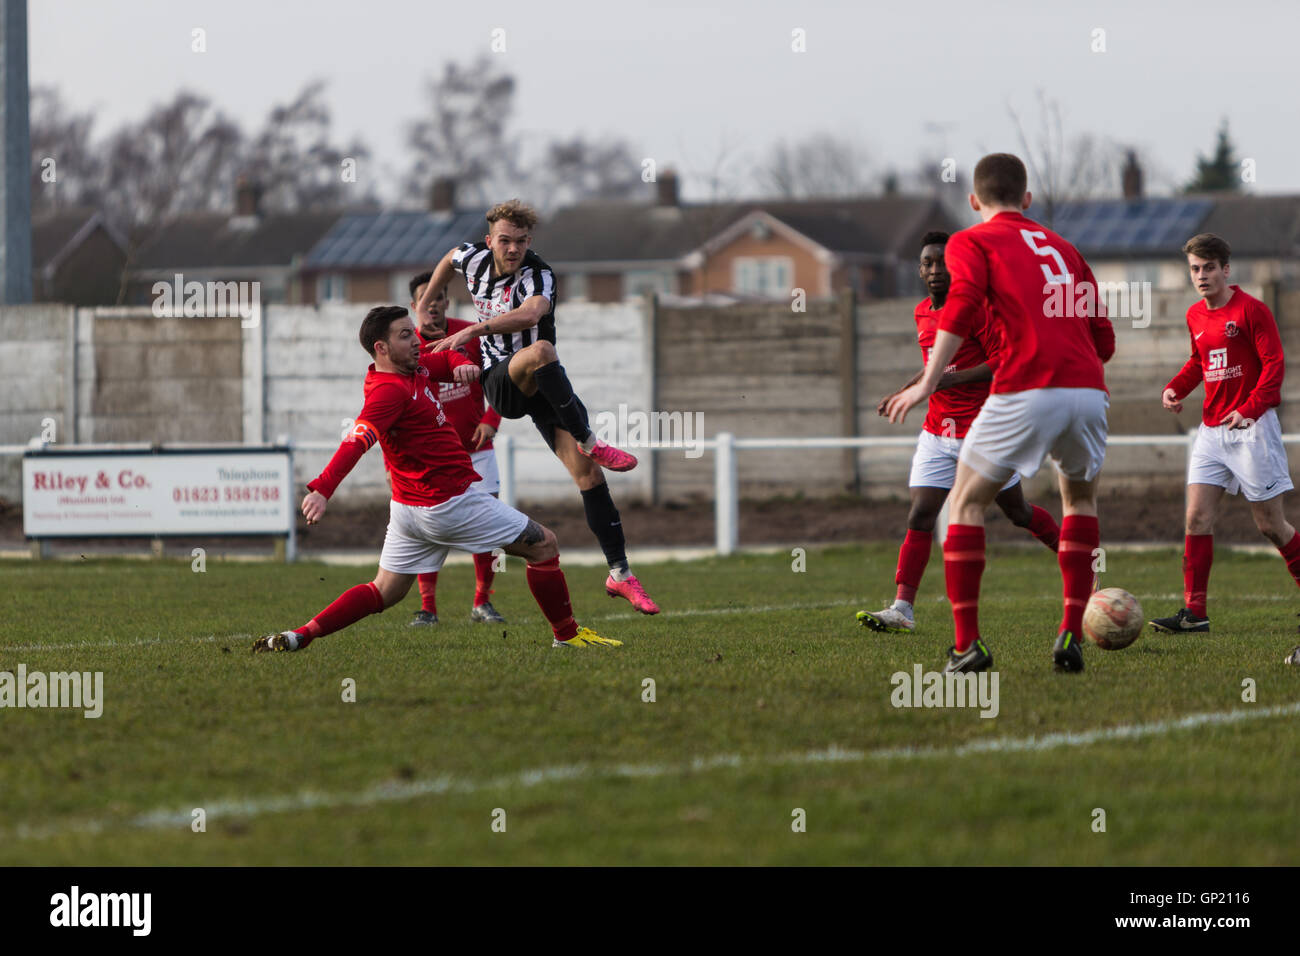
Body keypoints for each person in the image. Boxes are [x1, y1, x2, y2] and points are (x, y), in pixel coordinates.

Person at [252, 306, 621, 652]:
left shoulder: (413, 370)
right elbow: (356, 440)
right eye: (404, 336)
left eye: (412, 333)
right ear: (381, 348)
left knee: (385, 591)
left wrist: (460, 363)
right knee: (544, 546)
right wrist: (322, 489)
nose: (415, 341)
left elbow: (443, 357)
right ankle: (568, 636)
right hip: (449, 504)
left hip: (408, 512)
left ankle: (300, 635)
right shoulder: (387, 392)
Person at [885, 153, 1114, 674]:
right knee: (1080, 502)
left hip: (1025, 387)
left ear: (973, 201)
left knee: (963, 505)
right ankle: (1070, 635)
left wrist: (927, 381)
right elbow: (1104, 340)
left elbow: (963, 306)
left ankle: (968, 646)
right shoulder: (1067, 249)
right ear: (1027, 199)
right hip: (1088, 389)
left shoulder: (972, 241)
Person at [415, 199, 659, 614]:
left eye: (522, 241)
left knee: (590, 479)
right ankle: (590, 439)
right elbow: (448, 258)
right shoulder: (471, 258)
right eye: (505, 241)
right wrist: (427, 301)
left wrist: (473, 327)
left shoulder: (538, 274)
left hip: (541, 382)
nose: (514, 249)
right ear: (489, 240)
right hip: (502, 381)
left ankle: (620, 575)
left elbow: (532, 314)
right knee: (543, 350)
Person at [860, 231, 1061, 633]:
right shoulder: (921, 312)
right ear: (919, 270)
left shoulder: (979, 309)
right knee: (920, 514)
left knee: (1017, 512)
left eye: (943, 262)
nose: (936, 270)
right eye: (928, 263)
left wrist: (951, 381)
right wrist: (906, 391)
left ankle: (1079, 562)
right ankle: (903, 608)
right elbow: (935, 365)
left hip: (983, 433)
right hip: (937, 432)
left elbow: (1005, 361)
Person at [1149, 233, 1300, 634]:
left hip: (1252, 428)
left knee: (1270, 525)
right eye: (1195, 269)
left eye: (1209, 268)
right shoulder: (1195, 315)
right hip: (1212, 433)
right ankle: (1194, 613)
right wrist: (1175, 388)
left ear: (1225, 270)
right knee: (1196, 517)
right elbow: (1199, 362)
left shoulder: (1252, 310)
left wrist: (1248, 410)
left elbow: (1274, 369)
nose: (1201, 275)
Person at [404, 270, 506, 627]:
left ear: (447, 301)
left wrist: (491, 419)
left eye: (439, 298)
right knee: (428, 530)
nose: (432, 305)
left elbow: (502, 380)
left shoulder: (471, 335)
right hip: (432, 459)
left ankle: (482, 603)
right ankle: (427, 608)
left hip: (478, 449)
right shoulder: (408, 346)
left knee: (489, 526)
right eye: (424, 300)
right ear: (414, 306)